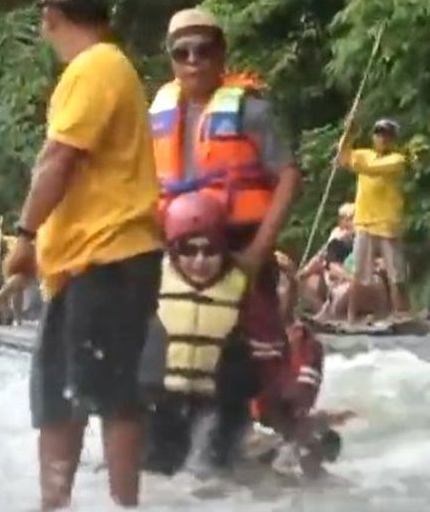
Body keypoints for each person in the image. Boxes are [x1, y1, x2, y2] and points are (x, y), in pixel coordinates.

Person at [4, 0, 162, 512]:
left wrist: (24, 235)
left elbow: (57, 160)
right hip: (82, 262)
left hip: (110, 256)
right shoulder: (106, 66)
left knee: (109, 389)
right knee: (58, 394)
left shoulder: (95, 68)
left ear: (50, 15)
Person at [149, 6, 302, 431]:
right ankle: (177, 428)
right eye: (183, 53)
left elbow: (288, 176)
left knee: (260, 343)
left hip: (241, 243)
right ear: (172, 59)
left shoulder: (252, 111)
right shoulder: (158, 114)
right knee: (182, 341)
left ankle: (283, 420)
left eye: (204, 50)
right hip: (179, 250)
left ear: (221, 53)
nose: (194, 61)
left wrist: (259, 250)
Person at [140, 192, 343, 478]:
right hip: (166, 404)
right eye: (189, 250)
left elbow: (282, 390)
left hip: (229, 412)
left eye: (210, 251)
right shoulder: (151, 284)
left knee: (215, 459)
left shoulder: (290, 335)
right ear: (173, 251)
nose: (199, 261)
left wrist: (291, 421)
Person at [337, 118, 410, 322]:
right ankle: (351, 318)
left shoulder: (398, 159)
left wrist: (351, 155)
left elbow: (369, 168)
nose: (382, 138)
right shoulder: (364, 154)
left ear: (394, 138)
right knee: (359, 274)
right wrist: (349, 134)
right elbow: (342, 159)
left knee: (396, 275)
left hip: (388, 223)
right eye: (378, 133)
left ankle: (400, 314)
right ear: (373, 136)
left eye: (387, 134)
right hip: (364, 222)